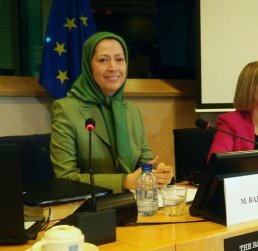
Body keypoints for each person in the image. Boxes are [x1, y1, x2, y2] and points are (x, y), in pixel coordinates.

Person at [50, 32, 173, 193]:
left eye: (119, 59)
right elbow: (65, 178)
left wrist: (159, 172)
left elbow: (145, 163)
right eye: (103, 60)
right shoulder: (66, 109)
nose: (113, 67)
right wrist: (123, 182)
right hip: (90, 209)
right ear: (88, 65)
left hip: (134, 204)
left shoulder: (131, 110)